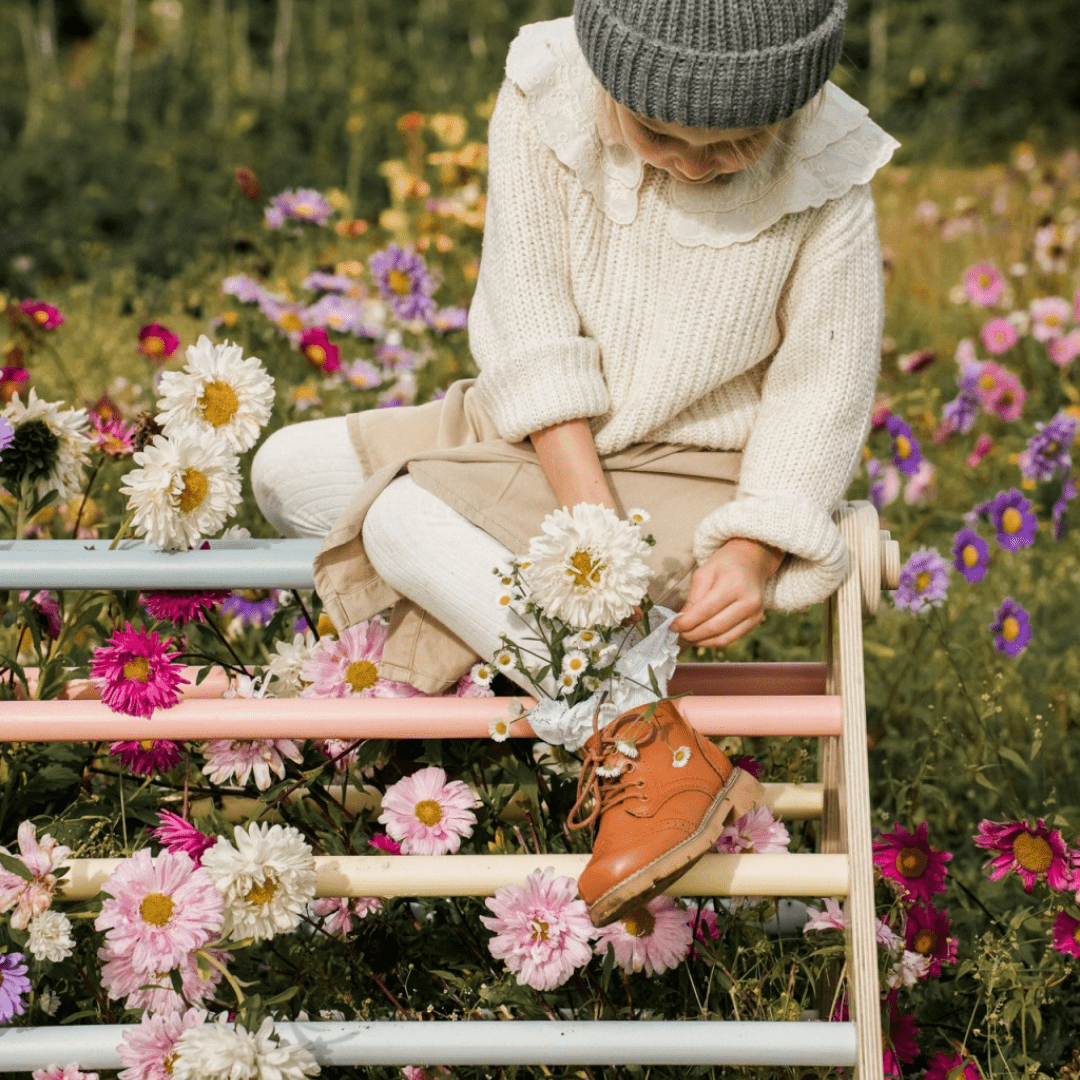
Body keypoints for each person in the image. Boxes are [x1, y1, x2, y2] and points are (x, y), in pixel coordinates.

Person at [252, 0, 897, 925]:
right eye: (659, 134)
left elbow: (821, 383)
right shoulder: (545, 91)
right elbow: (530, 319)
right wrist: (590, 536)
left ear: (792, 109)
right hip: (540, 429)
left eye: (733, 145)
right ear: (607, 77)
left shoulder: (828, 167)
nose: (692, 163)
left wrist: (756, 544)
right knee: (288, 473)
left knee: (396, 520)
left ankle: (635, 746)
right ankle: (601, 698)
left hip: (695, 468)